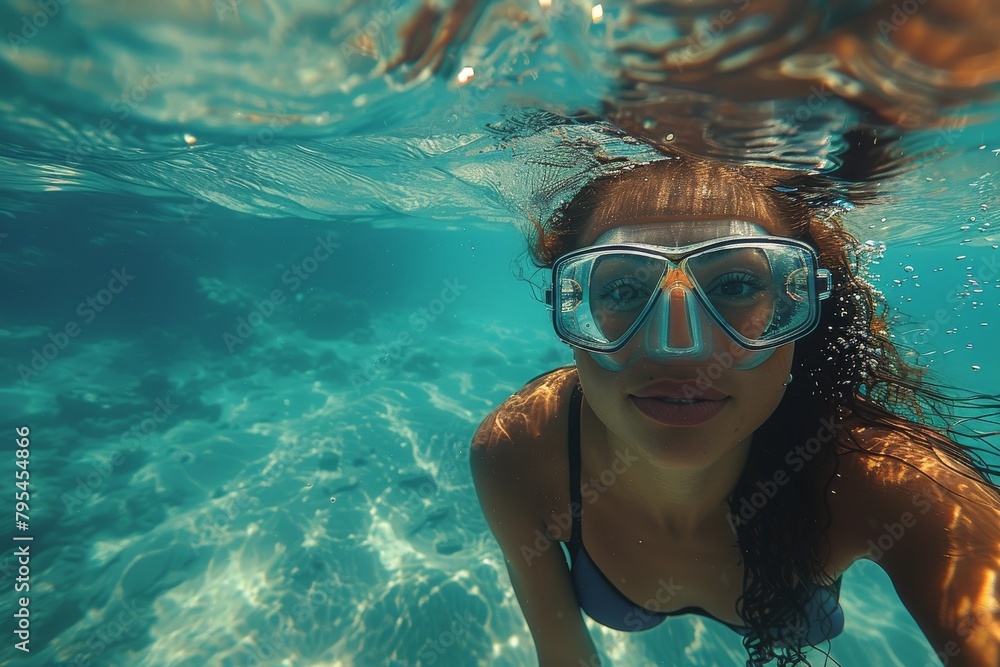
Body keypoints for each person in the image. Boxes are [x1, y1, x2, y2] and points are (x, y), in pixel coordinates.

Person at [469, 141, 1000, 666]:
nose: (680, 349)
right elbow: (564, 657)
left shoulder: (895, 481)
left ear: (798, 306)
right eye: (624, 290)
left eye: (736, 284)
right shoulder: (518, 450)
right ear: (571, 312)